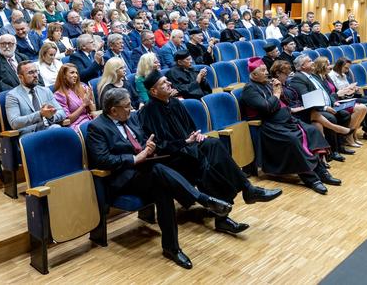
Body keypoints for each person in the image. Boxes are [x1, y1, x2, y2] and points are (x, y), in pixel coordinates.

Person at [86, 89, 235, 269]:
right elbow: (102, 159)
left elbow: (143, 141)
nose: (131, 108)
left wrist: (149, 147)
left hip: (148, 172)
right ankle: (202, 198)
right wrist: (135, 158)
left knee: (163, 186)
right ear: (113, 110)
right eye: (126, 106)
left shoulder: (131, 118)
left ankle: (171, 247)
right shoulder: (97, 127)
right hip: (125, 180)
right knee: (159, 172)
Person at [139, 71, 282, 219]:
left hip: (189, 148)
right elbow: (158, 145)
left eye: (167, 80)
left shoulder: (175, 102)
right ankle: (238, 200)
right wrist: (185, 142)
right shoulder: (147, 112)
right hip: (172, 157)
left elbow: (190, 128)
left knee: (213, 145)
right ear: (153, 91)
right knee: (207, 162)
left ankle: (243, 193)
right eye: (163, 82)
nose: (169, 83)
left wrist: (197, 135)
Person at [240, 58, 339, 194]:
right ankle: (311, 179)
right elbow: (267, 108)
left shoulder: (268, 84)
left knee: (311, 131)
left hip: (286, 121)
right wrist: (276, 93)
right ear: (253, 74)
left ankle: (321, 171)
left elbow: (284, 102)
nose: (266, 72)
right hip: (270, 127)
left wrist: (280, 92)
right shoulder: (249, 89)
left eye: (265, 69)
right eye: (262, 71)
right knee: (293, 141)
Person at [289, 54, 355, 157]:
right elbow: (307, 97)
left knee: (344, 114)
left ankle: (340, 145)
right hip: (314, 109)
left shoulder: (312, 75)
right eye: (309, 61)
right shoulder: (298, 78)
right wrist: (324, 107)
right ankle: (333, 151)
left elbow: (326, 91)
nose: (312, 62)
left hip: (326, 105)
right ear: (302, 66)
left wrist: (332, 102)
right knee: (331, 118)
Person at [313, 57, 367, 148]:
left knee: (364, 108)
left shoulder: (326, 77)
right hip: (335, 102)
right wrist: (339, 94)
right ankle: (348, 136)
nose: (330, 67)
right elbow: (330, 94)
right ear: (322, 66)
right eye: (327, 65)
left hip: (337, 100)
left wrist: (348, 90)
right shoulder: (321, 78)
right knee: (360, 108)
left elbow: (332, 93)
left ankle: (353, 134)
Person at [329, 57, 367, 142]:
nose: (347, 70)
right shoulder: (331, 76)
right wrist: (348, 89)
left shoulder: (343, 74)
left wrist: (353, 88)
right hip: (343, 99)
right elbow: (336, 92)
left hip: (350, 95)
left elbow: (346, 87)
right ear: (339, 66)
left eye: (348, 68)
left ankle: (366, 124)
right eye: (346, 68)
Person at [5, 61, 67, 136]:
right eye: (30, 73)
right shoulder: (12, 95)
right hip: (29, 134)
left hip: (48, 128)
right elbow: (14, 123)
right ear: (20, 77)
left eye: (36, 72)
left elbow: (62, 112)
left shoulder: (45, 90)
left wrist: (50, 116)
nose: (35, 75)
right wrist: (40, 114)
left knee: (57, 129)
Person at [53, 63, 95, 131]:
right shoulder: (59, 95)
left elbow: (93, 110)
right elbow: (68, 120)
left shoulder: (82, 87)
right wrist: (84, 105)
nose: (75, 75)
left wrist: (90, 101)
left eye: (76, 73)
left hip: (90, 120)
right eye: (72, 73)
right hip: (76, 125)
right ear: (63, 76)